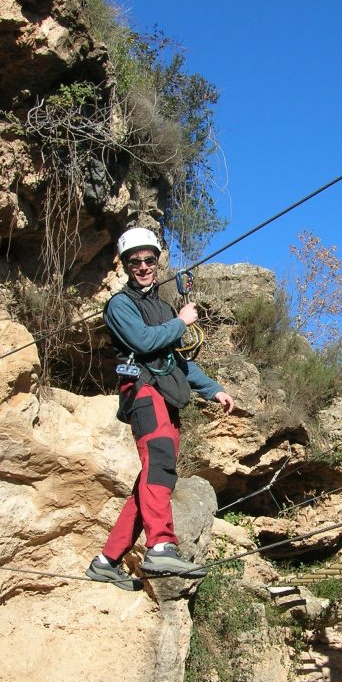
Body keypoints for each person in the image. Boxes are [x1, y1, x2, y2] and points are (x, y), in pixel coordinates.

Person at [86, 227, 235, 590]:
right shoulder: (121, 305)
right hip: (143, 391)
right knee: (160, 465)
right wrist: (182, 321)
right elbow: (143, 341)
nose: (142, 267)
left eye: (148, 260)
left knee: (155, 478)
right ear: (124, 266)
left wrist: (213, 389)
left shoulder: (164, 307)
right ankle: (161, 545)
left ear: (157, 262)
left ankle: (107, 559)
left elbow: (177, 360)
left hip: (167, 393)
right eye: (134, 261)